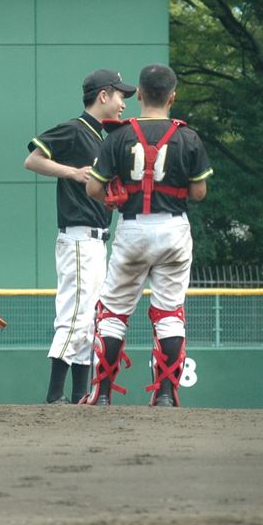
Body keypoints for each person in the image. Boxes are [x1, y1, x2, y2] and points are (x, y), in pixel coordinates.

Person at [82, 63, 213, 406]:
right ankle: (166, 395)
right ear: (173, 97)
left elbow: (93, 188)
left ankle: (102, 394)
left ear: (139, 93)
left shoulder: (118, 135)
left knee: (113, 312)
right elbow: (199, 192)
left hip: (133, 227)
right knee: (169, 312)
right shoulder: (188, 137)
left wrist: (114, 194)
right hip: (174, 228)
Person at [24, 69, 137, 404]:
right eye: (120, 96)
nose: (123, 103)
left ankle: (78, 395)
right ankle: (54, 394)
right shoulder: (75, 129)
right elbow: (32, 160)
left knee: (90, 319)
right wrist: (72, 172)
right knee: (74, 314)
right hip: (77, 237)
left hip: (97, 239)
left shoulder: (104, 137)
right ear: (103, 95)